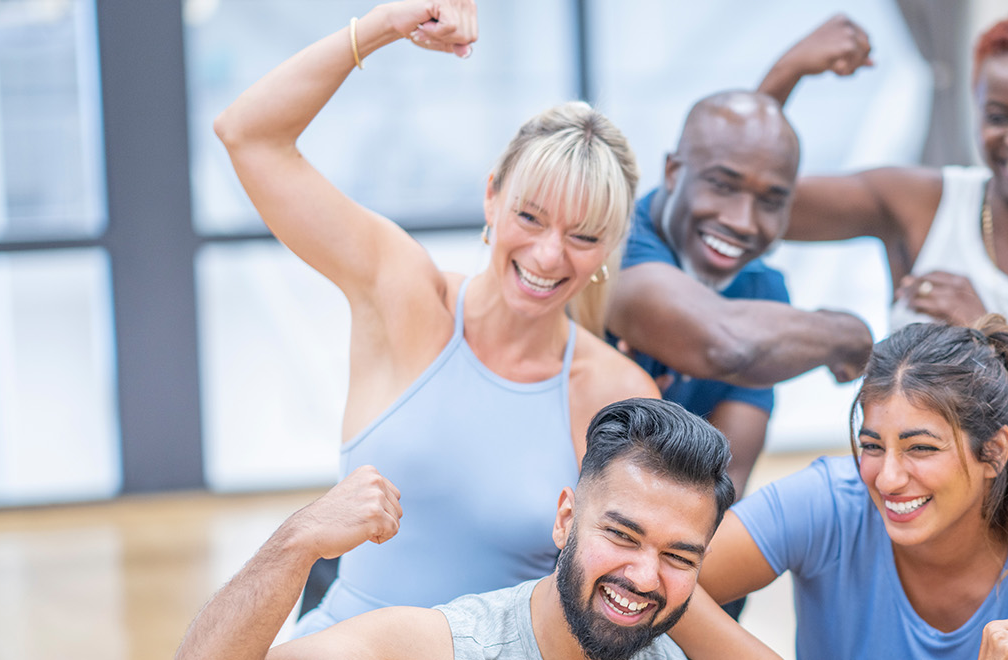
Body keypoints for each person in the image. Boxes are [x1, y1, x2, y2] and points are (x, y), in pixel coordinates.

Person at [212, 0, 659, 635]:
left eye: (583, 235)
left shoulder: (615, 393)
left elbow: (626, 592)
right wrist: (387, 24)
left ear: (608, 249)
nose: (547, 254)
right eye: (529, 217)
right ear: (491, 198)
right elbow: (248, 134)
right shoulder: (403, 293)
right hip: (344, 647)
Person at [758, 9, 1008, 629]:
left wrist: (990, 325)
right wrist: (788, 72)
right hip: (919, 553)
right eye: (999, 115)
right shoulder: (923, 206)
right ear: (974, 109)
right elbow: (756, 194)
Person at [175, 398, 782, 660]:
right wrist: (297, 541)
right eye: (622, 536)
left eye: (679, 556)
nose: (644, 575)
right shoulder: (440, 647)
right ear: (566, 519)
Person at [670, 319, 1008, 659]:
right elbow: (657, 573)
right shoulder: (831, 500)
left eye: (920, 448)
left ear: (994, 452)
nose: (887, 478)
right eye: (872, 446)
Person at [604, 88, 874, 499]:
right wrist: (846, 335)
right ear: (673, 172)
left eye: (770, 201)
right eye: (722, 186)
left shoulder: (764, 293)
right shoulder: (611, 240)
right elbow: (724, 344)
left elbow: (721, 491)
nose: (744, 222)